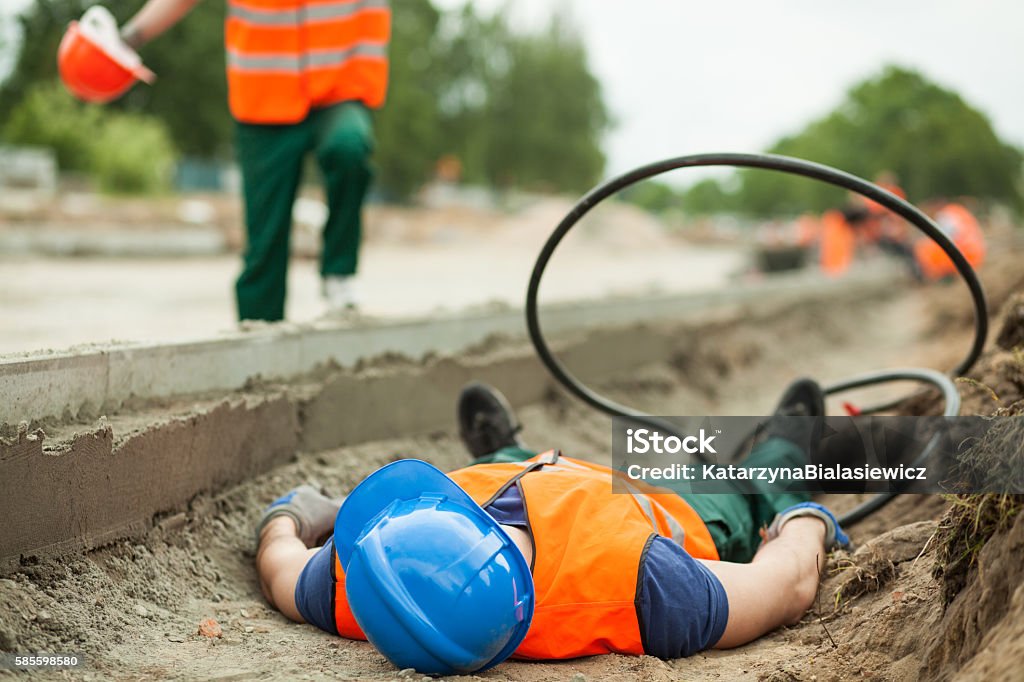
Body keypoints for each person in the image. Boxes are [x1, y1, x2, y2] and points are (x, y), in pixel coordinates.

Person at [254, 380, 850, 674]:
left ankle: (508, 448)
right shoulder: (647, 587)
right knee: (746, 487)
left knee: (512, 467)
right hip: (668, 506)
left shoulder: (368, 585)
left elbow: (282, 565)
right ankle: (782, 448)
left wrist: (292, 514)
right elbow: (787, 586)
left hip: (524, 472)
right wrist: (805, 523)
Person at [113, 0, 391, 319]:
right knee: (265, 241)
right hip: (265, 98)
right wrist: (127, 39)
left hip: (340, 87)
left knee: (349, 147)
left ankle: (339, 274)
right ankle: (259, 333)